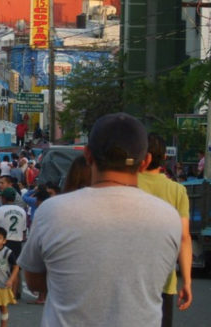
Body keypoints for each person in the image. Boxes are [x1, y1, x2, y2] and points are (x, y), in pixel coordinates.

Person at [18, 113, 182, 327]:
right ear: (146, 162)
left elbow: (34, 281)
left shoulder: (52, 211)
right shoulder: (168, 218)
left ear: (88, 155)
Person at [137, 133, 193, 326]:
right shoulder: (177, 191)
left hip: (128, 279)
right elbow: (184, 238)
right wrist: (187, 281)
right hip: (164, 280)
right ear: (165, 158)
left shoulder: (127, 184)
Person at [0, 188, 27, 300]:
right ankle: (13, 295)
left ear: (4, 198)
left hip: (3, 241)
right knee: (15, 268)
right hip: (17, 241)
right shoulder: (22, 211)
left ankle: (0, 293)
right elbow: (24, 229)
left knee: (0, 267)